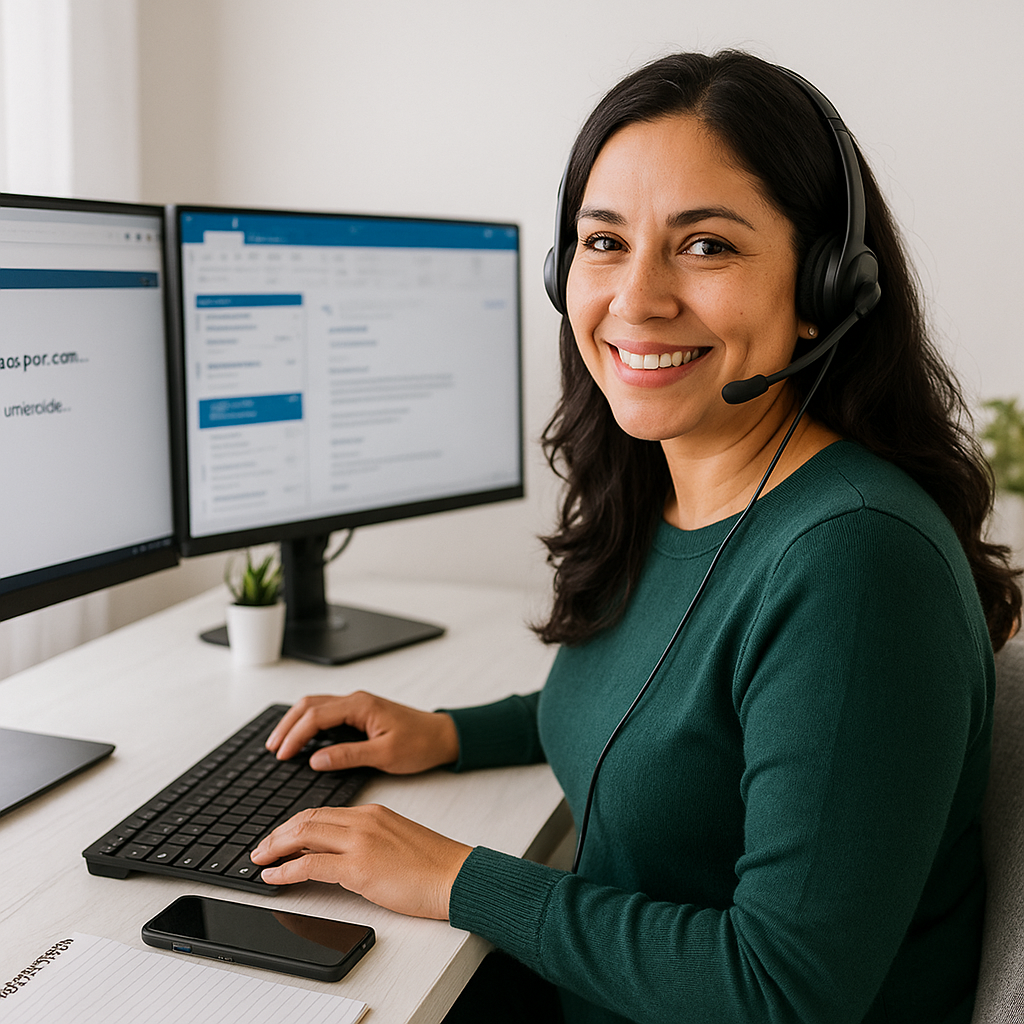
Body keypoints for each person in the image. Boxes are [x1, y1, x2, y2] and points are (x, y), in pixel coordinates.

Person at [249, 51, 1021, 1024]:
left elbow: (784, 991)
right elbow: (662, 711)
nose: (637, 297)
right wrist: (448, 733)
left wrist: (455, 876)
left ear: (824, 284)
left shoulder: (850, 563)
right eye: (603, 241)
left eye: (705, 246)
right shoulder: (677, 489)